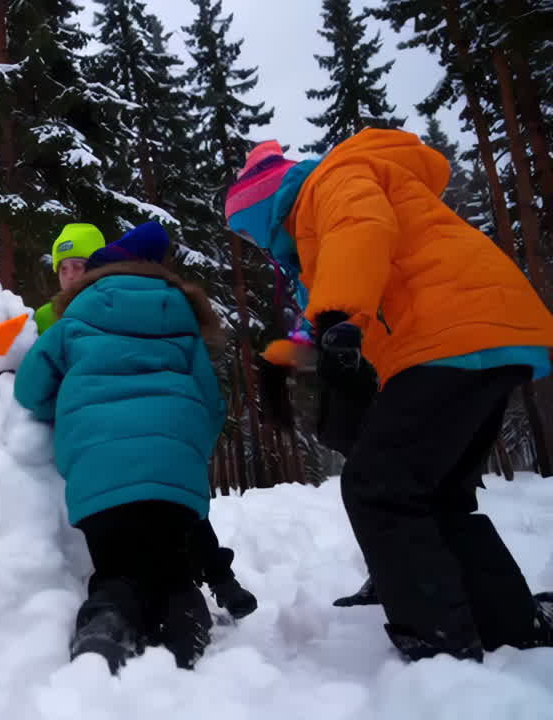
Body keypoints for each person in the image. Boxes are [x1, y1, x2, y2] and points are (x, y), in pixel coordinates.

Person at [227, 129, 553, 660]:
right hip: (481, 333)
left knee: (379, 489)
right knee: (438, 497)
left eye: (249, 232)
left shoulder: (332, 183)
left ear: (264, 207)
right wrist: (282, 355)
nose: (257, 245)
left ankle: (440, 645)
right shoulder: (321, 228)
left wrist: (336, 314)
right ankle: (510, 625)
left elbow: (362, 230)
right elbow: (340, 310)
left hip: (448, 334)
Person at [15, 222, 227, 671]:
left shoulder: (73, 318)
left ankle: (106, 626)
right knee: (172, 570)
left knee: (115, 570)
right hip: (175, 476)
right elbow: (211, 404)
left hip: (99, 470)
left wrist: (71, 410)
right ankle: (184, 622)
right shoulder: (182, 318)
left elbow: (31, 389)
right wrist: (186, 452)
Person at [33, 223, 105, 335]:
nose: (70, 276)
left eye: (77, 267)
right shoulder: (44, 316)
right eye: (63, 269)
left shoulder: (115, 311)